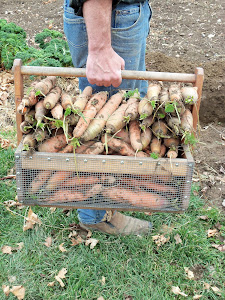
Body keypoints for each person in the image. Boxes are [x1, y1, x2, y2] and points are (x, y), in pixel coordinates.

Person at [63, 0, 153, 235]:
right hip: (109, 17)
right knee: (108, 127)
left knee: (124, 108)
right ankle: (96, 215)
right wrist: (101, 48)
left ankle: (107, 201)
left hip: (112, 15)